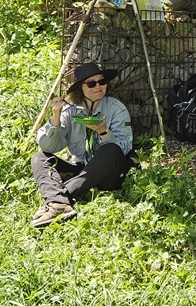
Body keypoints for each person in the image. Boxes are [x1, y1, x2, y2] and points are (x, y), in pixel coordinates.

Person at [30, 62, 136, 228]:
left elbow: (124, 148)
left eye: (102, 82)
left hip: (109, 173)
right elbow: (49, 147)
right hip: (82, 167)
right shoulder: (70, 110)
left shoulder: (116, 109)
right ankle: (60, 203)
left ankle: (57, 199)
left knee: (111, 149)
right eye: (91, 84)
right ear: (80, 88)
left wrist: (103, 132)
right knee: (40, 157)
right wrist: (55, 119)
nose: (98, 87)